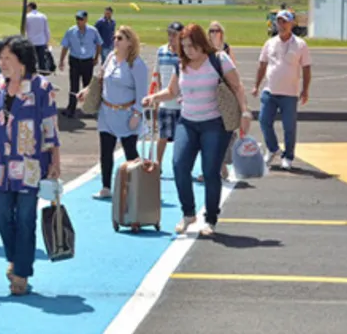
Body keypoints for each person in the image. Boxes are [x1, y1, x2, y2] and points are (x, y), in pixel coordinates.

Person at [143, 24, 251, 236]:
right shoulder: (180, 64)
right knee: (179, 164)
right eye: (184, 46)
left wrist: (245, 112)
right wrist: (154, 97)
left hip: (215, 123)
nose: (188, 50)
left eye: (191, 46)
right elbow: (173, 91)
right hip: (188, 121)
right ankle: (188, 213)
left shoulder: (218, 60)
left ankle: (210, 218)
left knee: (210, 171)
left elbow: (237, 87)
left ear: (202, 43)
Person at [0, 36, 61, 296]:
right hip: (1, 165)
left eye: (7, 59)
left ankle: (21, 273)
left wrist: (55, 162)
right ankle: (16, 258)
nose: (2, 64)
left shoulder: (41, 88)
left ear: (22, 63)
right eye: (0, 58)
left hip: (31, 165)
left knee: (25, 218)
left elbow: (50, 128)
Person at [78, 25, 149, 199]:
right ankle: (106, 187)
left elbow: (142, 92)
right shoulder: (110, 57)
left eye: (120, 38)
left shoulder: (137, 64)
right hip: (107, 112)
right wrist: (87, 91)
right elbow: (100, 78)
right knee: (106, 151)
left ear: (130, 43)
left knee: (130, 152)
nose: (115, 41)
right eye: (115, 38)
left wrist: (137, 114)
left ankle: (141, 187)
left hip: (127, 113)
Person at [252, 10, 311, 170]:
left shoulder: (300, 44)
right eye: (279, 21)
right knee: (264, 121)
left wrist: (305, 90)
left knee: (289, 127)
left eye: (285, 21)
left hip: (289, 94)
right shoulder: (269, 43)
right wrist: (256, 85)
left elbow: (306, 68)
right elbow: (262, 65)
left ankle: (288, 156)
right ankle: (273, 149)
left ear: (292, 24)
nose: (282, 25)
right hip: (270, 91)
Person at [204, 21, 235, 181]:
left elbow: (233, 73)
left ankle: (220, 166)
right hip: (208, 94)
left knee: (221, 133)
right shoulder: (204, 49)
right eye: (211, 31)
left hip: (223, 94)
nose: (214, 33)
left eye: (217, 30)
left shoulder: (227, 49)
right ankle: (216, 169)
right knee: (208, 133)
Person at [59, 10, 103, 117]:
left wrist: (96, 57)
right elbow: (65, 46)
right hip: (75, 60)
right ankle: (71, 108)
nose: (79, 21)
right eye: (77, 19)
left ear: (86, 20)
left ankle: (88, 108)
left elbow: (99, 44)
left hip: (87, 61)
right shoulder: (71, 31)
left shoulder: (93, 31)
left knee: (87, 85)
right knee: (74, 85)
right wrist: (61, 60)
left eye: (81, 19)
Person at [155, 22, 184, 168]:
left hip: (182, 105)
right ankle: (157, 165)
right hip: (165, 103)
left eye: (175, 35)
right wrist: (156, 97)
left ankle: (181, 166)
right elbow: (157, 76)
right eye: (170, 34)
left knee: (183, 139)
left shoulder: (185, 53)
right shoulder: (161, 51)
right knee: (162, 136)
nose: (171, 37)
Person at [24, 2, 52, 74]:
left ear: (30, 7)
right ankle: (42, 74)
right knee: (41, 60)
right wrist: (47, 41)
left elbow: (25, 29)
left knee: (31, 60)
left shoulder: (27, 16)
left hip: (31, 41)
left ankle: (31, 73)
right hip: (41, 41)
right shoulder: (43, 16)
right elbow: (46, 30)